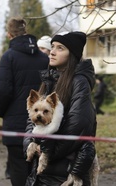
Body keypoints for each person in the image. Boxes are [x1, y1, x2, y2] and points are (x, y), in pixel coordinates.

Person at [23, 31, 97, 186]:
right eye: (52, 47)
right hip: (43, 169)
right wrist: (30, 143)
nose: (53, 52)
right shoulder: (49, 80)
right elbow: (32, 118)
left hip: (64, 170)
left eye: (60, 48)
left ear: (72, 54)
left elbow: (78, 126)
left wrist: (47, 152)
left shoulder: (79, 82)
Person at [0, 17, 49, 186]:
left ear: (9, 34)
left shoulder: (8, 57)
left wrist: (0, 112)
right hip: (42, 125)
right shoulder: (44, 59)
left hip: (16, 125)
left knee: (18, 171)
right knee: (39, 170)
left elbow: (2, 91)